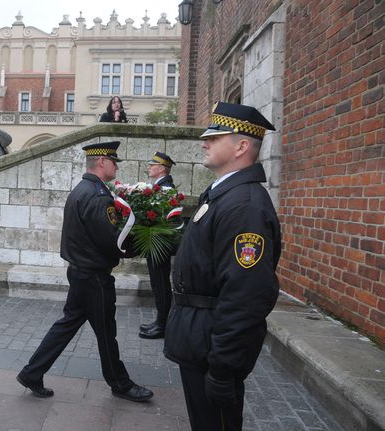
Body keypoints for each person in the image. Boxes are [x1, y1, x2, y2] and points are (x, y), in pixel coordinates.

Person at [164, 102, 281, 430]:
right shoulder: (223, 195)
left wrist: (223, 368)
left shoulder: (244, 206)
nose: (205, 142)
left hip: (212, 344)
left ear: (242, 146)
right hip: (200, 335)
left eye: (215, 138)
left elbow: (246, 294)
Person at [16, 141, 153, 403]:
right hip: (93, 277)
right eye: (114, 161)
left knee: (67, 324)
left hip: (80, 272)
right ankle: (120, 383)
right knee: (106, 333)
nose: (116, 165)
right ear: (101, 162)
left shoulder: (83, 189)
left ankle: (32, 372)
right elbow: (111, 240)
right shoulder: (97, 195)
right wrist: (141, 245)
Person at [139, 151, 176, 339]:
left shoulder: (166, 188)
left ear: (161, 168)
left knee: (160, 284)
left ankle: (163, 324)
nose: (149, 166)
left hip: (160, 244)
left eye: (152, 164)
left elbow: (161, 216)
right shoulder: (159, 186)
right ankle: (160, 321)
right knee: (157, 283)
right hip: (155, 243)